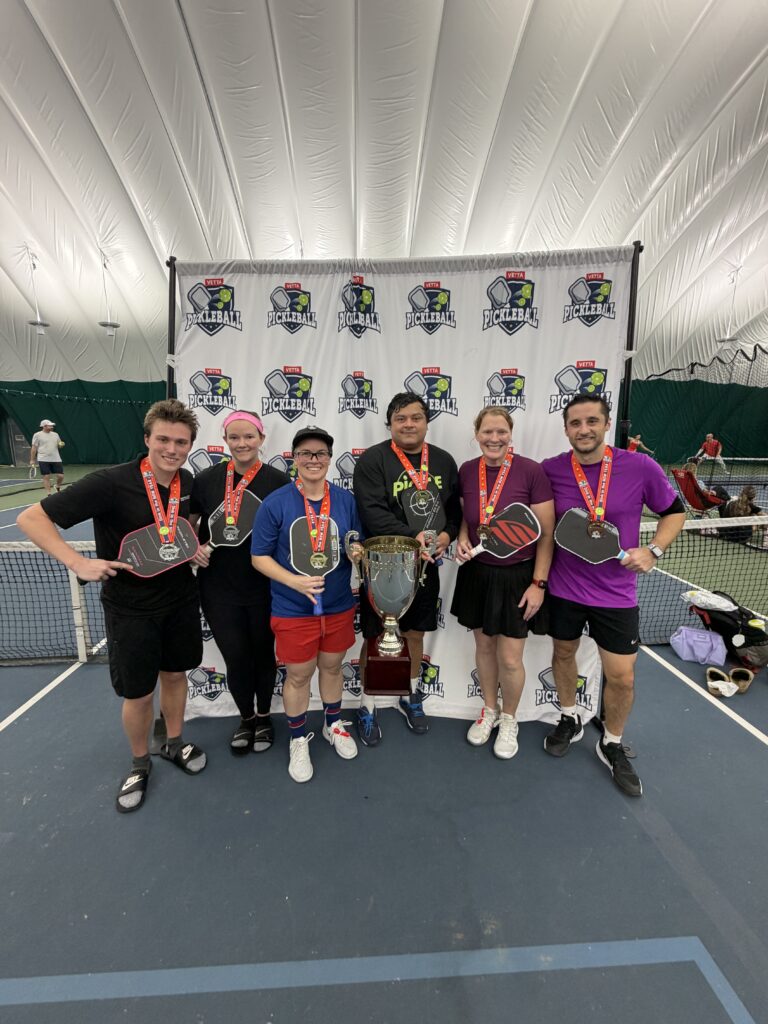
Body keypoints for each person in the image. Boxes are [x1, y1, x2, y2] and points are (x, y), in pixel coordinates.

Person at [17, 399, 206, 813]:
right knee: (138, 694)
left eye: (181, 442)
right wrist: (77, 561)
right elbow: (31, 519)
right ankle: (140, 763)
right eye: (163, 440)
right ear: (146, 440)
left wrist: (189, 548)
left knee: (175, 676)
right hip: (130, 608)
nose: (171, 449)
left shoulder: (186, 481)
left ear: (190, 445)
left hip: (180, 600)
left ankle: (174, 742)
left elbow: (175, 528)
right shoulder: (110, 482)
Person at [541, 395, 685, 797]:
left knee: (621, 675)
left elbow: (675, 511)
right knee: (563, 654)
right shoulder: (552, 470)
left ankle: (612, 742)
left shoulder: (640, 466)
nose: (583, 429)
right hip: (564, 588)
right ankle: (569, 717)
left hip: (616, 594)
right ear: (566, 428)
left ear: (607, 425)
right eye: (575, 423)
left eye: (591, 421)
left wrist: (653, 550)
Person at [250, 426, 363, 783]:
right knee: (299, 675)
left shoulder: (345, 500)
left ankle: (333, 724)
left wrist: (355, 552)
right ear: (294, 459)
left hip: (339, 605)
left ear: (329, 459)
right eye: (305, 454)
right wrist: (294, 581)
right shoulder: (276, 502)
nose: (313, 460)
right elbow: (259, 557)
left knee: (332, 668)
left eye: (320, 454)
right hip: (293, 609)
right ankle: (298, 738)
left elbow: (353, 541)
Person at [351, 392, 461, 745]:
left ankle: (408, 694)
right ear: (390, 424)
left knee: (415, 634)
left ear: (427, 421)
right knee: (373, 636)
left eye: (416, 417)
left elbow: (455, 511)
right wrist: (416, 537)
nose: (409, 424)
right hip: (383, 567)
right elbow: (372, 512)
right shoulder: (373, 460)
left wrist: (447, 534)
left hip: (425, 566)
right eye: (401, 418)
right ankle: (367, 705)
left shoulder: (443, 461)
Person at [451, 407, 555, 759]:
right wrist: (463, 539)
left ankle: (510, 719)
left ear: (510, 434)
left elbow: (546, 533)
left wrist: (538, 583)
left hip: (518, 576)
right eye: (487, 432)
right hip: (477, 574)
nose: (494, 438)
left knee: (510, 658)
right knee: (483, 648)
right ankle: (489, 710)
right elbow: (469, 519)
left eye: (501, 432)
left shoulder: (531, 471)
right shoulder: (467, 470)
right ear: (476, 434)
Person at [190, 411, 289, 755]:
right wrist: (193, 550)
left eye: (249, 436)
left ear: (261, 439)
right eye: (235, 437)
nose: (242, 443)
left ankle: (264, 717)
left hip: (265, 585)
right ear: (225, 440)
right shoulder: (205, 480)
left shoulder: (279, 481)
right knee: (235, 656)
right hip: (218, 587)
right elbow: (188, 525)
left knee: (264, 655)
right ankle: (245, 718)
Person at [30, 419, 65, 494]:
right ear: (44, 426)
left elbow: (59, 444)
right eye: (50, 425)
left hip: (56, 458)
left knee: (60, 476)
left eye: (52, 425)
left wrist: (61, 445)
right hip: (43, 459)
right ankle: (49, 494)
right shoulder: (37, 435)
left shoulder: (56, 434)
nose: (52, 427)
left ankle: (57, 486)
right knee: (46, 477)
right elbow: (34, 448)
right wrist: (32, 460)